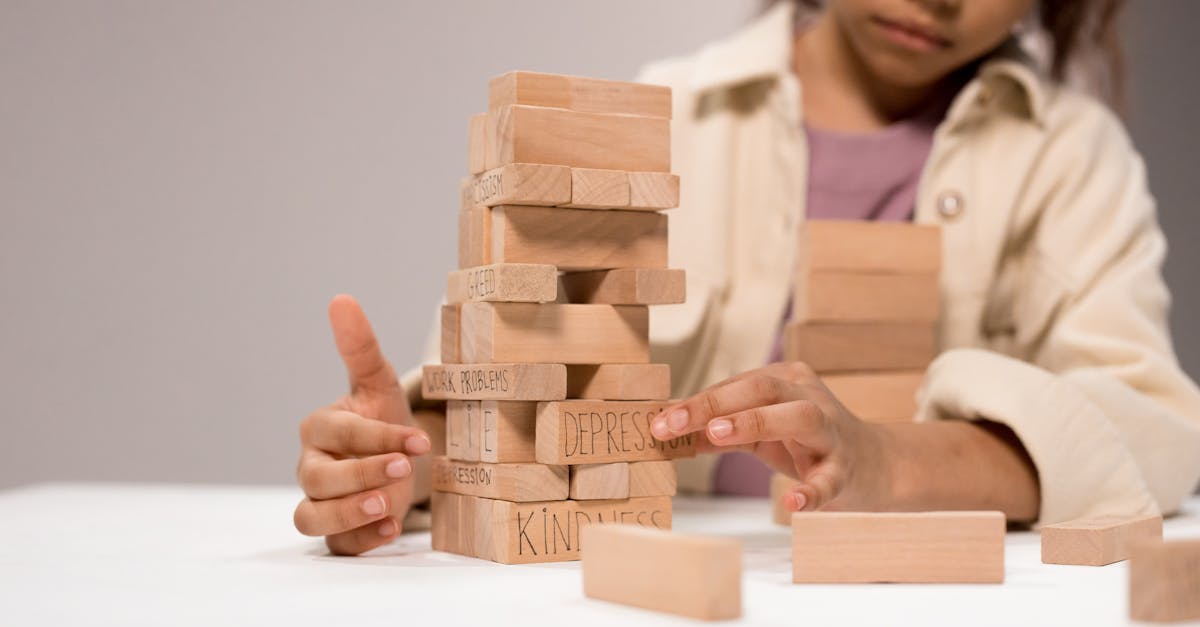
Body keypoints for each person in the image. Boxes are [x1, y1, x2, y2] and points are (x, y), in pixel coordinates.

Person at [293, 0, 1200, 556]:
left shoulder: (1074, 160)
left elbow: (1155, 427)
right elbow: (506, 397)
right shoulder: (664, 115)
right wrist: (401, 463)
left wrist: (895, 460)